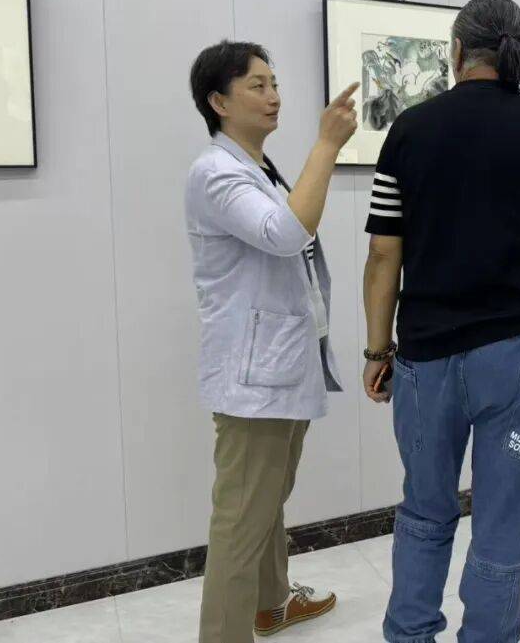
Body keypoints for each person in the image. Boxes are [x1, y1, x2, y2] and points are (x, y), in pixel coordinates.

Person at [361, 0, 520, 642]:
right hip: (519, 360)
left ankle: (410, 634)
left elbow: (384, 253)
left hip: (425, 361)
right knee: (503, 525)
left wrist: (377, 351)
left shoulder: (409, 131)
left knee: (424, 513)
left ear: (457, 51)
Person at [184, 40, 359, 643]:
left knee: (266, 500)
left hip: (281, 365)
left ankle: (271, 603)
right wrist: (327, 145)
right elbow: (286, 234)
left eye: (275, 83)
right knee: (240, 519)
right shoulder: (214, 172)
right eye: (257, 86)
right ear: (218, 101)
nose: (274, 96)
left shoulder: (257, 167)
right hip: (253, 375)